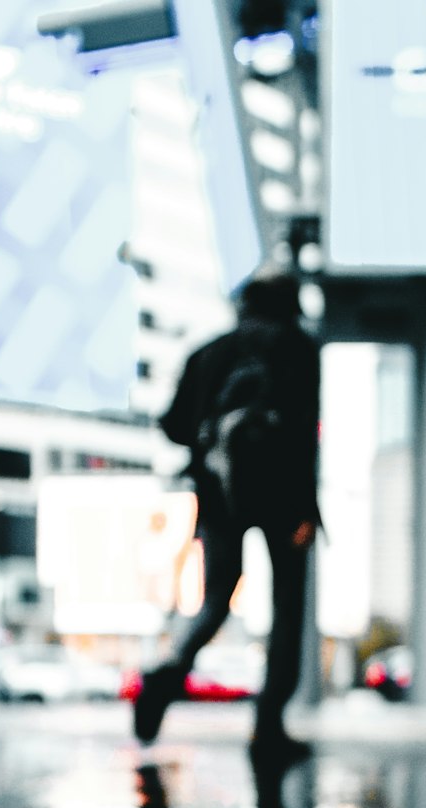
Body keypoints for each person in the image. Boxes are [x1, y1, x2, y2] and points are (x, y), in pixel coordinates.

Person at [133, 267, 321, 767]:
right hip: (284, 498)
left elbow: (173, 425)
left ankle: (167, 673)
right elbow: (305, 432)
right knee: (286, 610)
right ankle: (268, 727)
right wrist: (307, 508)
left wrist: (207, 437)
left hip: (220, 494)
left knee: (217, 596)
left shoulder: (209, 352)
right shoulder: (299, 348)